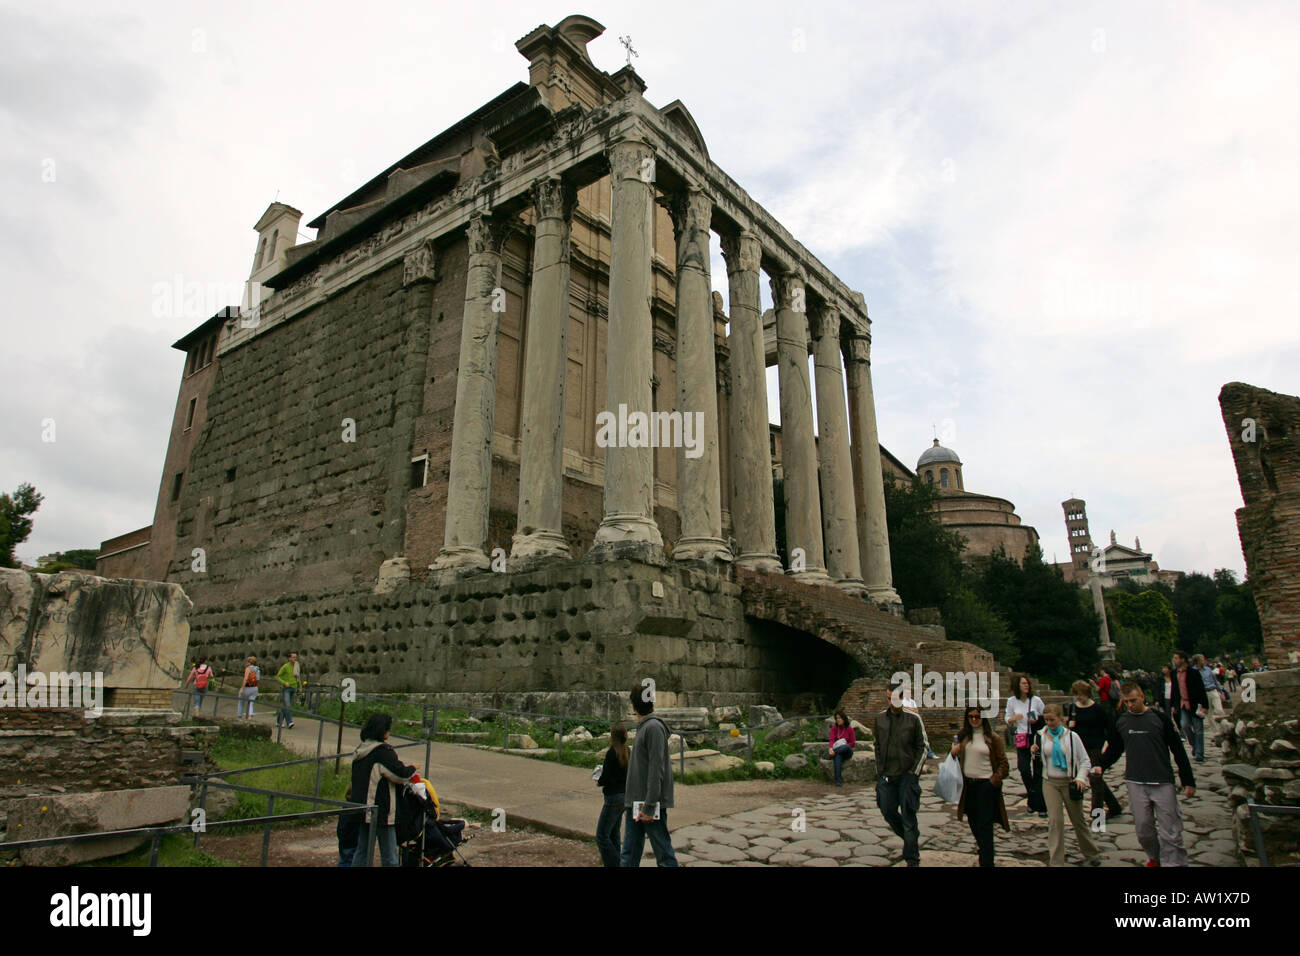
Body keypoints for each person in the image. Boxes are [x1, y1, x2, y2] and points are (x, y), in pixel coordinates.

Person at [1094, 681, 1196, 867]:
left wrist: (1187, 780)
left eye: (1133, 700)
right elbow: (1115, 748)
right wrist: (1101, 765)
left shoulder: (1159, 718)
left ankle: (1174, 863)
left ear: (1142, 696)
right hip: (1135, 780)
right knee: (1143, 829)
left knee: (1170, 830)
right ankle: (1154, 858)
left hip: (1162, 780)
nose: (1130, 705)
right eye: (1126, 702)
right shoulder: (1121, 720)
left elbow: (1177, 749)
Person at [1033, 704, 1101, 866]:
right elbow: (1039, 759)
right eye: (1046, 720)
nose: (1049, 723)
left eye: (1052, 720)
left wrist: (1080, 778)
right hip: (1049, 781)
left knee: (1078, 819)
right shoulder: (1040, 736)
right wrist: (1034, 751)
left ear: (1061, 718)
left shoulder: (1072, 737)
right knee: (1055, 821)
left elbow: (1085, 761)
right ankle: (1056, 860)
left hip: (1069, 781)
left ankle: (1091, 852)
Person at [350, 713, 418, 867]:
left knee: (362, 851)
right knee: (389, 856)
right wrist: (413, 767)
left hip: (361, 807)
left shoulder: (361, 749)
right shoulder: (382, 752)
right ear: (383, 731)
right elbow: (399, 774)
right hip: (381, 810)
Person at [621, 686, 677, 867]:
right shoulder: (645, 727)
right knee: (629, 854)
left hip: (649, 804)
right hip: (636, 802)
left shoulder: (653, 728)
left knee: (663, 854)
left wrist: (650, 805)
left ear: (633, 706)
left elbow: (656, 769)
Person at [951, 705, 1010, 867]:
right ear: (967, 718)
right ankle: (985, 849)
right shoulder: (963, 736)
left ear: (983, 717)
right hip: (968, 785)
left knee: (985, 824)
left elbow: (1004, 764)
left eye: (978, 716)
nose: (975, 720)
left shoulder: (993, 738)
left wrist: (994, 781)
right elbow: (954, 757)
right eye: (971, 717)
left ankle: (986, 861)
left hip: (986, 785)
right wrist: (953, 752)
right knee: (973, 821)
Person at [876, 681, 927, 866]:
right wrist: (879, 770)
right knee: (887, 810)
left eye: (895, 699)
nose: (891, 703)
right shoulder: (880, 718)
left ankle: (912, 858)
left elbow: (923, 746)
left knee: (908, 816)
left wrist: (914, 772)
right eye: (888, 699)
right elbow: (878, 745)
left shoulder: (913, 719)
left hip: (907, 774)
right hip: (887, 775)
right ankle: (910, 837)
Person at [1068, 680, 1122, 819]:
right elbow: (1070, 726)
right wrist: (1070, 725)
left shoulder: (1098, 709)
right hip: (1080, 746)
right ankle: (1114, 807)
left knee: (1095, 779)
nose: (1079, 697)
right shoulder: (1073, 708)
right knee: (1095, 779)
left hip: (1095, 746)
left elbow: (1108, 726)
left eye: (1081, 694)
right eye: (1076, 694)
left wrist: (1107, 744)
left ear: (1087, 694)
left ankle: (1097, 815)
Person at [1005, 675, 1047, 817]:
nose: (1026, 685)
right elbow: (1007, 719)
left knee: (1038, 770)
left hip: (1035, 737)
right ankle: (1033, 797)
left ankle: (1040, 805)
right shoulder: (1011, 701)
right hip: (1021, 736)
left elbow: (1046, 716)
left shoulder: (1036, 701)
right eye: (1023, 683)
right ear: (1017, 685)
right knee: (1024, 769)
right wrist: (1014, 719)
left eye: (1027, 683)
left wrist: (1036, 720)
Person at [594, 722, 629, 867]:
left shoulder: (611, 753)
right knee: (614, 834)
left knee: (601, 836)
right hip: (624, 796)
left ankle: (617, 864)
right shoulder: (627, 751)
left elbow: (606, 776)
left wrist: (599, 781)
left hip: (613, 797)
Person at [1170, 651, 1209, 762]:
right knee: (1185, 726)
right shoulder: (1174, 673)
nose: (1175, 660)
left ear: (1183, 659)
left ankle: (1199, 753)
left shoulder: (1193, 673)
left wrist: (1205, 705)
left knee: (1198, 729)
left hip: (1194, 704)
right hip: (1182, 703)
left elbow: (1201, 689)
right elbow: (1175, 690)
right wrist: (1174, 704)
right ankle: (1195, 745)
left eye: (1176, 658)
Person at [828, 709, 856, 786]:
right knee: (837, 757)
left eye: (840, 718)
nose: (838, 720)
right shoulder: (834, 728)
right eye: (837, 718)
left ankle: (832, 754)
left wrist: (836, 749)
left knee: (846, 746)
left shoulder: (849, 729)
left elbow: (853, 743)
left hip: (847, 751)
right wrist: (830, 748)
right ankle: (838, 780)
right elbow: (832, 739)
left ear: (844, 718)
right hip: (838, 752)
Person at [1194, 654, 1226, 721]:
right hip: (1204, 693)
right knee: (1209, 713)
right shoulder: (1194, 671)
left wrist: (1221, 691)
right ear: (1198, 661)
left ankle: (1224, 724)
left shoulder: (1208, 669)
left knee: (1219, 710)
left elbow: (1214, 680)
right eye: (1202, 660)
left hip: (1213, 690)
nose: (1204, 661)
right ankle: (1215, 729)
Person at [275, 653, 302, 729]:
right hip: (286, 689)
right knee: (287, 705)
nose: (294, 659)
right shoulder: (285, 666)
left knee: (286, 706)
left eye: (295, 657)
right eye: (293, 657)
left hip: (294, 688)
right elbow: (278, 676)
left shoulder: (296, 666)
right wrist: (284, 682)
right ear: (289, 658)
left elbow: (298, 678)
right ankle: (289, 722)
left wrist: (300, 687)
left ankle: (278, 721)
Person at [338, 785, 360, 867]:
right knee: (348, 861)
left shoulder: (345, 808)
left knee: (344, 861)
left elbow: (341, 829)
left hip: (345, 843)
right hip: (351, 843)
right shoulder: (352, 810)